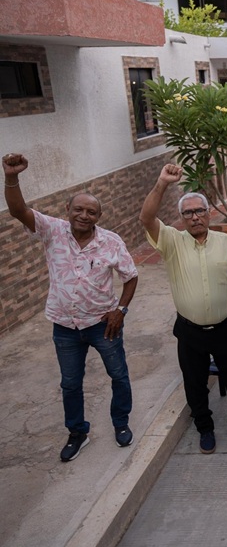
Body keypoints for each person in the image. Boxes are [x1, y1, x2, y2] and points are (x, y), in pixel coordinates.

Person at [3, 153, 138, 462]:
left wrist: (121, 310)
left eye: (91, 212)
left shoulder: (111, 242)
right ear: (68, 210)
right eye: (78, 209)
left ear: (98, 217)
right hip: (64, 326)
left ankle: (121, 423)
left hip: (104, 324)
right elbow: (17, 210)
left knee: (118, 375)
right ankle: (77, 432)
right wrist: (12, 177)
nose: (84, 215)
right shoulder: (52, 230)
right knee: (70, 383)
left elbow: (131, 276)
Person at [140, 165, 227, 455]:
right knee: (195, 384)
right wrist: (162, 182)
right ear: (182, 218)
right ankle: (205, 428)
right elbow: (146, 217)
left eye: (199, 210)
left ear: (208, 213)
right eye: (188, 213)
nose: (195, 216)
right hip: (190, 331)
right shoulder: (172, 242)